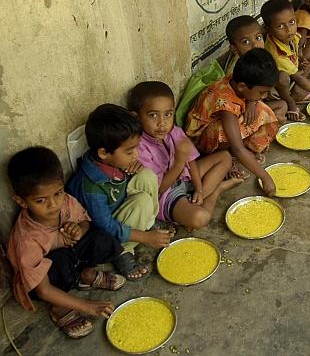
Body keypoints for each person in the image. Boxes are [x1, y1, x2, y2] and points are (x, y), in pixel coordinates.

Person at [7, 147, 124, 338]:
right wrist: (87, 306)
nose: (53, 204)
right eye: (41, 200)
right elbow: (43, 289)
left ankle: (85, 274)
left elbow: (85, 221)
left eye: (58, 193)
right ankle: (59, 307)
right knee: (59, 261)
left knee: (100, 237)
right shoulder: (27, 239)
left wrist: (80, 230)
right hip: (47, 281)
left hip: (73, 257)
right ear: (22, 201)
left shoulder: (66, 202)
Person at [67, 104, 171, 281]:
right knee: (142, 201)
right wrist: (145, 238)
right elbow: (105, 226)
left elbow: (128, 180)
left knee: (146, 175)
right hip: (104, 231)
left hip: (119, 207)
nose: (136, 155)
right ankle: (122, 250)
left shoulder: (112, 162)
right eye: (130, 151)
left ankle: (148, 222)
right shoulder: (91, 187)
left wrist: (133, 167)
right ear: (103, 153)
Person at [128, 81, 242, 232]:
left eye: (168, 114)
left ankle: (198, 198)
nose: (162, 123)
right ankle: (216, 191)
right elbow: (159, 189)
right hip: (167, 195)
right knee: (201, 218)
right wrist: (179, 163)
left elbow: (192, 161)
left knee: (225, 157)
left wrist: (199, 189)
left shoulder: (173, 131)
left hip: (185, 178)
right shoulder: (138, 148)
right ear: (136, 117)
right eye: (153, 115)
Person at [184, 48, 282, 196]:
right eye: (262, 92)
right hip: (201, 138)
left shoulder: (238, 82)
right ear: (242, 86)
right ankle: (225, 158)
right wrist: (265, 178)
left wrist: (252, 101)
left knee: (262, 110)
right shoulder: (224, 102)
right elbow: (237, 147)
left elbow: (249, 96)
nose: (265, 95)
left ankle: (243, 151)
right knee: (224, 131)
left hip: (233, 113)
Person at [261, 0, 310, 121]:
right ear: (268, 29)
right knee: (283, 77)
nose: (289, 29)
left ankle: (298, 91)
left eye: (292, 22)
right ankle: (290, 100)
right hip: (277, 88)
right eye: (280, 26)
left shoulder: (289, 36)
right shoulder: (275, 53)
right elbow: (297, 77)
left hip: (292, 71)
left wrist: (300, 57)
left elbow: (297, 47)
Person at [223, 16, 288, 123]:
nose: (255, 45)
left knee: (283, 105)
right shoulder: (236, 69)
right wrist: (251, 103)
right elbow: (234, 97)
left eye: (258, 38)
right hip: (240, 108)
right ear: (234, 48)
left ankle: (273, 118)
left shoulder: (261, 57)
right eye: (246, 42)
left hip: (257, 98)